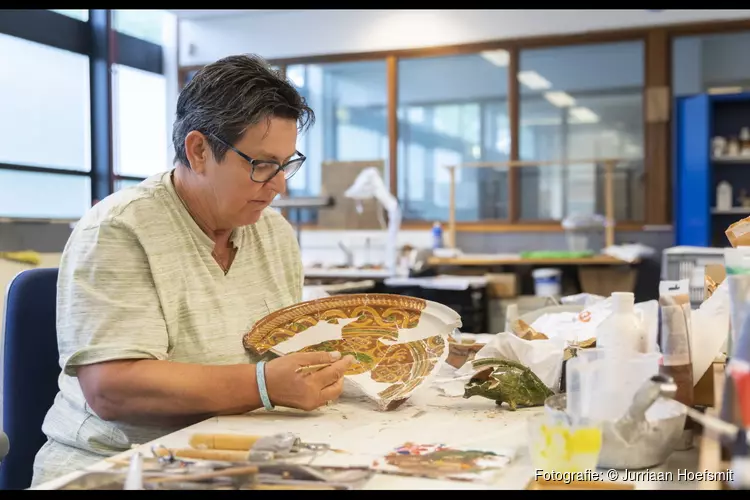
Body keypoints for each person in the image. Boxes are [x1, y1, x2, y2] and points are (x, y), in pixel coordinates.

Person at [31, 54, 354, 487]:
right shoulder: (120, 229)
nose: (279, 185)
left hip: (236, 453)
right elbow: (112, 387)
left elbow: (283, 347)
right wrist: (264, 385)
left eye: (286, 164)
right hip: (121, 467)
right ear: (199, 150)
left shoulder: (272, 231)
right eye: (261, 165)